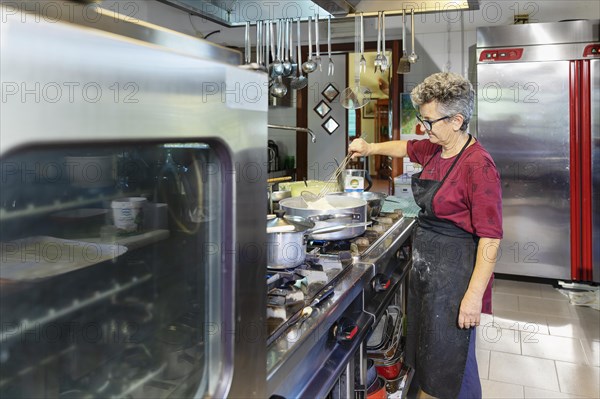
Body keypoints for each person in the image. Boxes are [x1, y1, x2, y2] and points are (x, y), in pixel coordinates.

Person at [349, 72, 502, 399]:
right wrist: (369, 146)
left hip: (455, 279)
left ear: (457, 120)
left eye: (430, 121)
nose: (424, 128)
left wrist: (473, 297)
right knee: (428, 358)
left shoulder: (479, 166)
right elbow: (404, 147)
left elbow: (491, 239)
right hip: (426, 274)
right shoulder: (435, 148)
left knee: (448, 365)